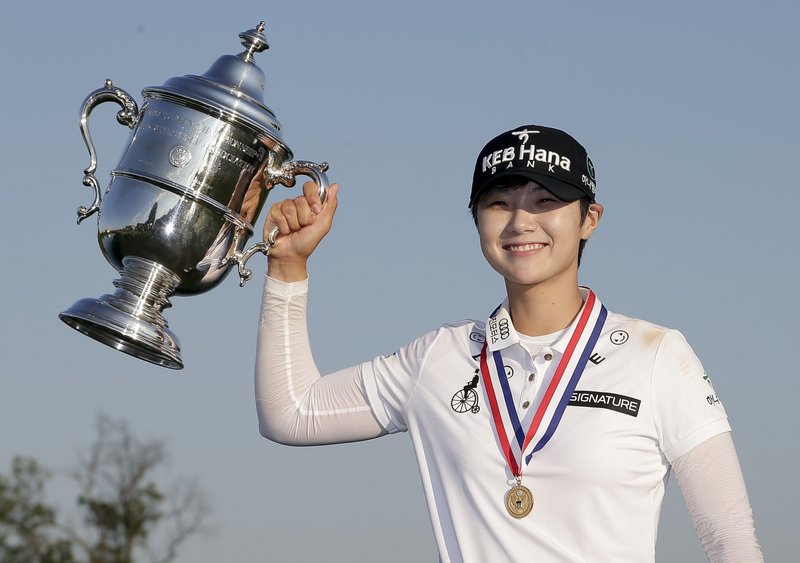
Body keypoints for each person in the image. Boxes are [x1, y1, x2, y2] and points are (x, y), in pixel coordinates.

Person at [254, 125, 763, 562]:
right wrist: (287, 268)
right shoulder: (440, 358)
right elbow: (291, 412)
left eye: (546, 201)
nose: (521, 222)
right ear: (476, 220)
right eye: (499, 203)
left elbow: (730, 540)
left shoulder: (656, 354)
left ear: (590, 218)